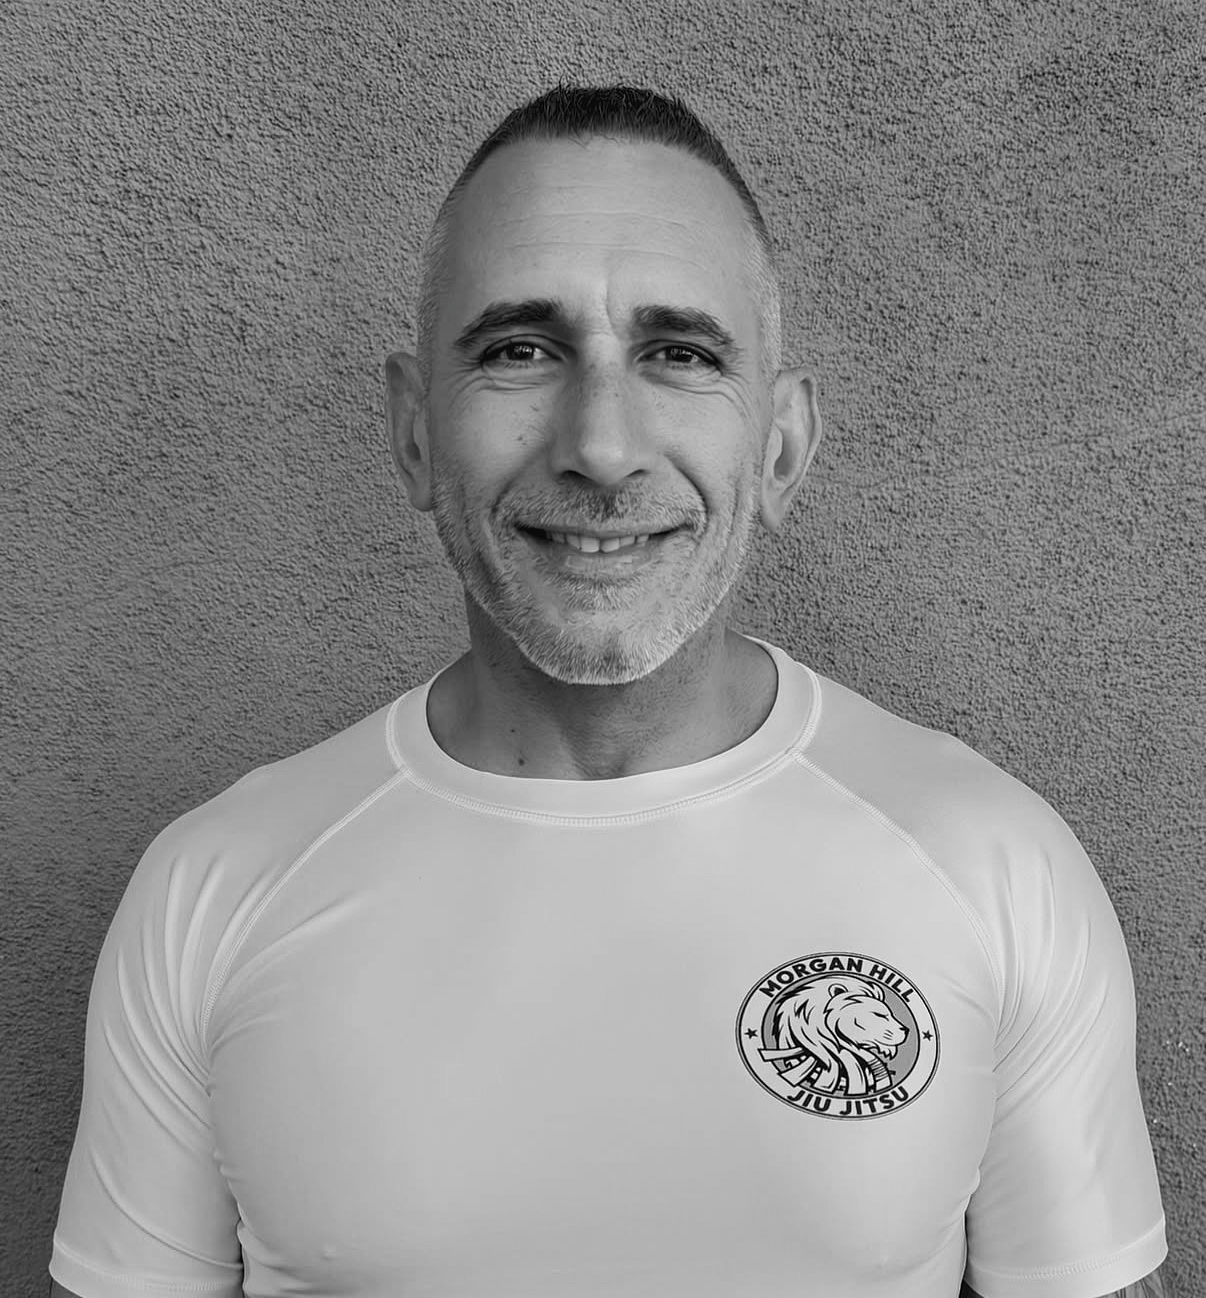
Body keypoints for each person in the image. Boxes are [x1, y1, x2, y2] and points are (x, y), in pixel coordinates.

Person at [49, 84, 1170, 1298]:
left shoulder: (992, 862)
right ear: (416, 434)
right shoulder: (212, 888)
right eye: (520, 350)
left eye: (679, 353)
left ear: (782, 448)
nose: (601, 443)